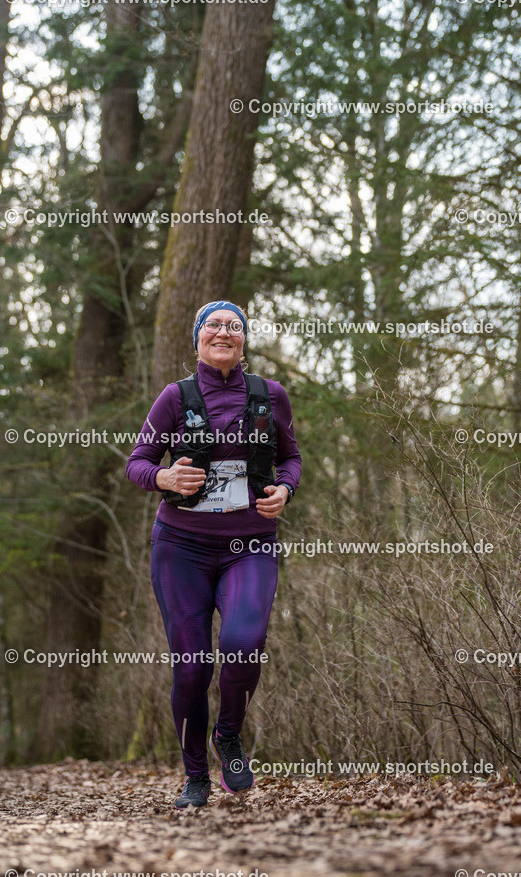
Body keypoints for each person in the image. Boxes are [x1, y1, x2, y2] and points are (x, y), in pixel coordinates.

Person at [126, 300, 301, 807]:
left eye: (234, 326)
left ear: (243, 341)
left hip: (250, 543)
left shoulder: (270, 395)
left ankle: (228, 734)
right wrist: (163, 476)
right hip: (181, 546)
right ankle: (196, 775)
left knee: (244, 643)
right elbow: (137, 462)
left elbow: (291, 458)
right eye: (213, 325)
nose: (224, 332)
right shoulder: (174, 397)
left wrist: (285, 489)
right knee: (191, 666)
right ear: (198, 337)